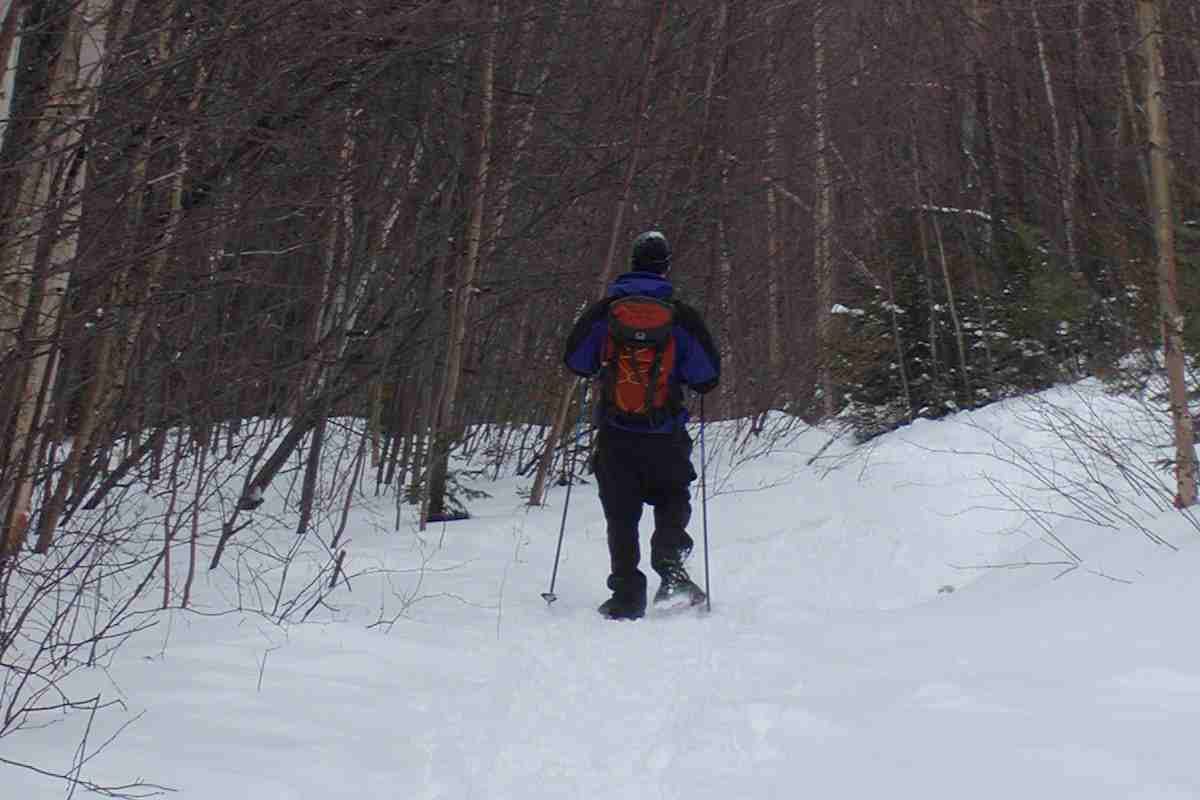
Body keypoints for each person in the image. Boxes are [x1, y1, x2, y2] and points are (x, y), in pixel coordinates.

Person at [563, 231, 721, 619]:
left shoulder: (606, 312)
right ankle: (669, 566)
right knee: (672, 497)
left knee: (621, 515)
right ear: (666, 267)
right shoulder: (680, 316)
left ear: (632, 263)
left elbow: (576, 362)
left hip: (616, 433)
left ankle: (626, 597)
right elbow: (707, 376)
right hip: (665, 433)